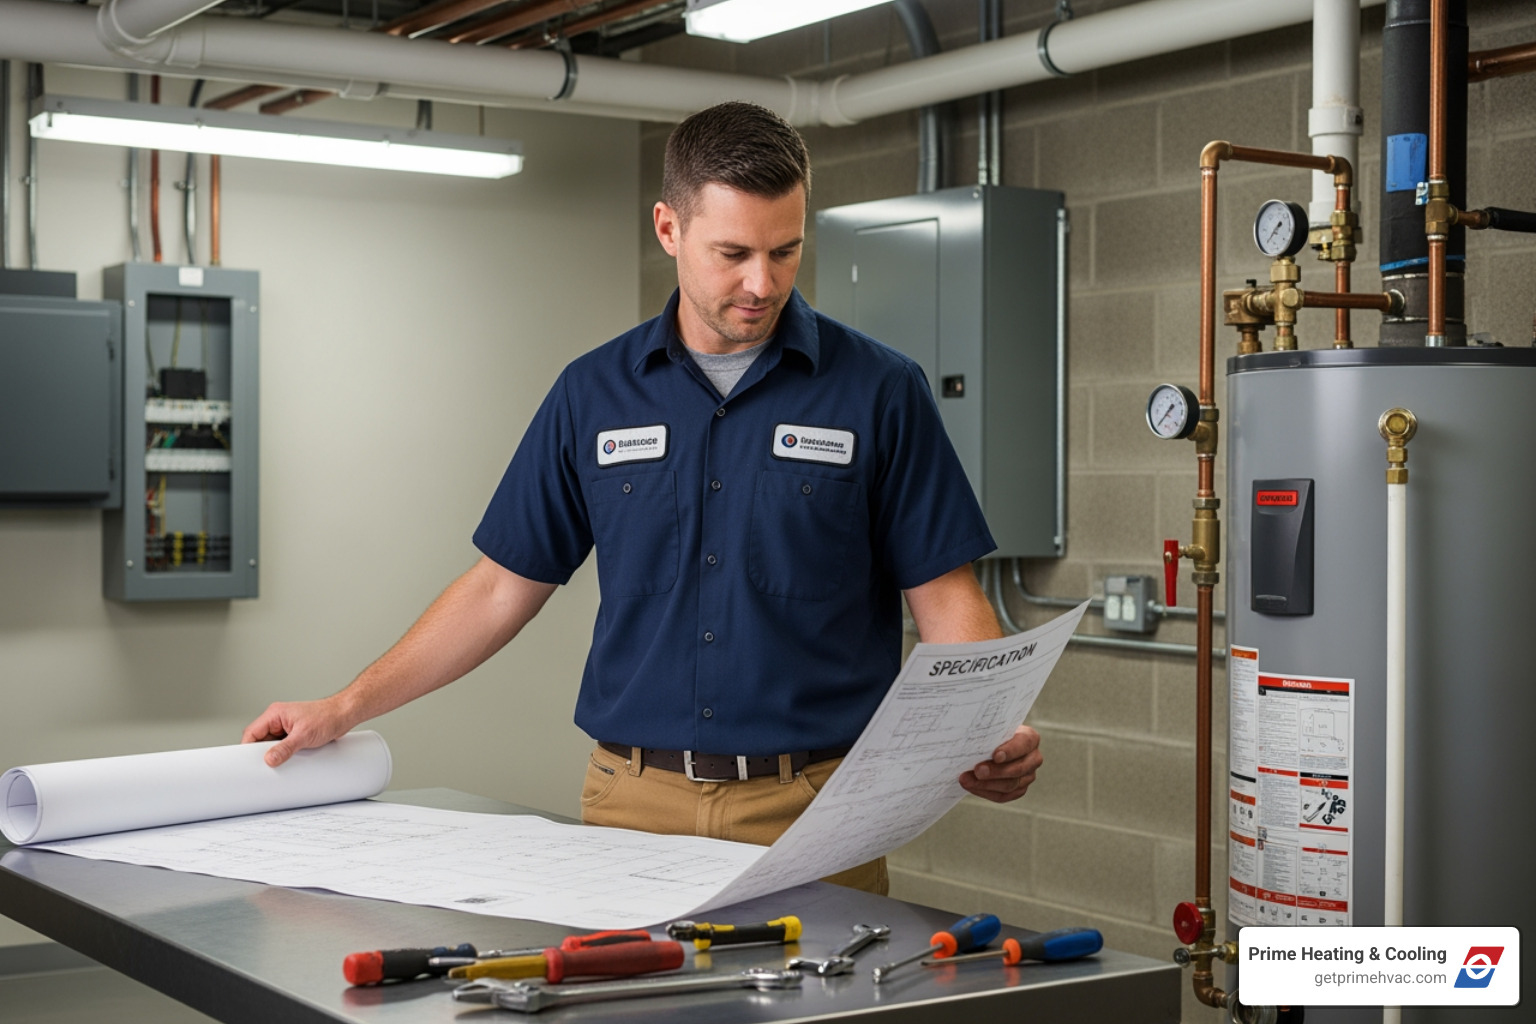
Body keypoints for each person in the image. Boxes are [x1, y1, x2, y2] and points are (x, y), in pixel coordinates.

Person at [242, 101, 1042, 895]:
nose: (762, 284)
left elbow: (944, 595)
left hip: (817, 810)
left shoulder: (880, 391)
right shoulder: (593, 394)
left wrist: (985, 730)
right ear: (669, 229)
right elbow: (495, 590)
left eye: (786, 251)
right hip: (631, 807)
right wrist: (345, 706)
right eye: (732, 253)